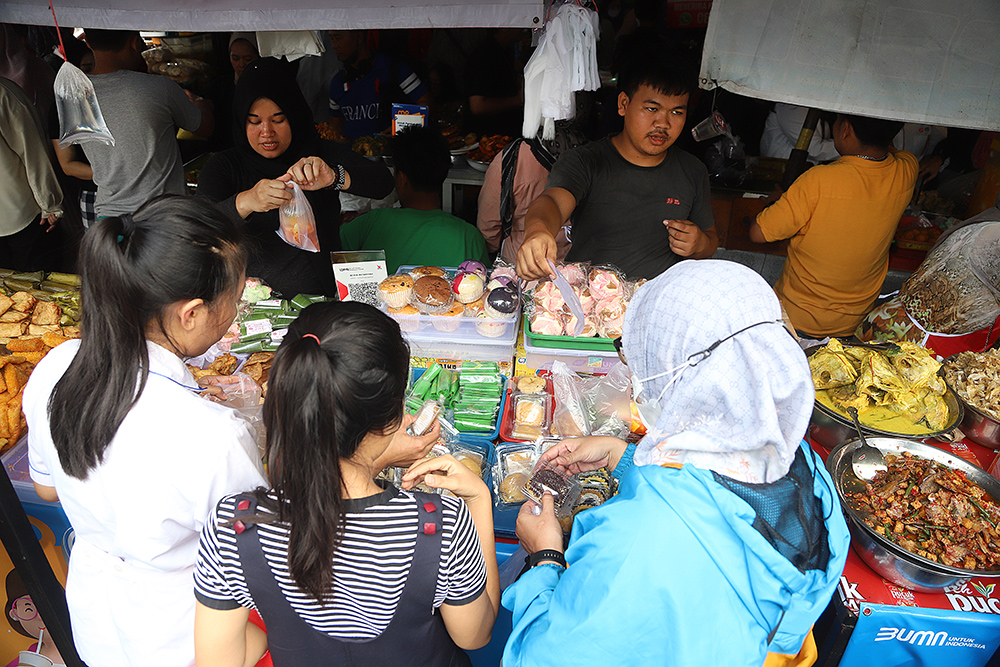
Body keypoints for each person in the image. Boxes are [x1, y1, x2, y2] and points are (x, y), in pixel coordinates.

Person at [503, 259, 849, 667]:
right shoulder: (802, 464)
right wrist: (622, 455)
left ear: (677, 368)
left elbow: (541, 659)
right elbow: (720, 504)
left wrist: (543, 557)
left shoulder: (637, 543)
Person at [22, 196, 267, 667]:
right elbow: (257, 558)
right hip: (189, 637)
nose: (234, 312)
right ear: (190, 312)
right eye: (234, 301)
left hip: (97, 623)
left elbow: (46, 489)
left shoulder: (54, 368)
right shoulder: (211, 435)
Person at [193, 301, 500, 666]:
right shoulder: (442, 522)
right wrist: (478, 499)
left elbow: (223, 660)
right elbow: (476, 635)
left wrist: (284, 632)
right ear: (393, 416)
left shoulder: (234, 524)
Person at [199, 57, 394, 296]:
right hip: (251, 307)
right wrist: (247, 201)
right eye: (254, 121)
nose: (267, 132)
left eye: (278, 120)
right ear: (241, 121)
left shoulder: (318, 152)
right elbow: (198, 230)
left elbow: (383, 183)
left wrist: (334, 177)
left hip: (322, 300)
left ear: (294, 115)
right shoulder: (225, 165)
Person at [517, 60, 718, 281]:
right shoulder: (585, 161)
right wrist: (538, 231)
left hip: (659, 303)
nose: (663, 123)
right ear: (623, 104)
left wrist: (699, 244)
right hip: (592, 301)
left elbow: (710, 241)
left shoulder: (693, 170)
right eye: (652, 109)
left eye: (677, 113)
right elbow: (553, 202)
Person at [750, 114, 917, 337]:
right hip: (853, 326)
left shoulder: (817, 180)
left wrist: (777, 203)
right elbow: (892, 151)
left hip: (794, 320)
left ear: (846, 129)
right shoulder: (906, 170)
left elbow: (757, 233)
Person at [80, 29, 212, 218]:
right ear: (134, 43)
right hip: (164, 216)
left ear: (88, 43)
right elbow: (205, 127)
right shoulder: (158, 87)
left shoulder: (75, 96)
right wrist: (201, 104)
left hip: (110, 218)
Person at [340, 126, 488, 274]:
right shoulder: (470, 237)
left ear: (402, 178)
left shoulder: (370, 224)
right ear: (444, 173)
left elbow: (328, 251)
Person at [476, 124, 587, 265]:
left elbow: (489, 228)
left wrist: (492, 249)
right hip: (579, 270)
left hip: (522, 266)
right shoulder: (596, 155)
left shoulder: (511, 159)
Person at [0, 75, 62, 271]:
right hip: (18, 214)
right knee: (34, 286)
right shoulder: (4, 92)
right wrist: (50, 204)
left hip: (16, 214)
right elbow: (32, 151)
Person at [327, 30, 430, 140]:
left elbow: (426, 103)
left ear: (359, 37)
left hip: (390, 153)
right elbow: (335, 129)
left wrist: (401, 127)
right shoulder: (337, 82)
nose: (334, 45)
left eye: (338, 38)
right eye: (332, 39)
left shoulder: (393, 69)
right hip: (351, 155)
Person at [464, 29, 526, 137]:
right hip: (490, 137)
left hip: (507, 131)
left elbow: (500, 82)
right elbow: (478, 106)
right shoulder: (484, 56)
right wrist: (517, 100)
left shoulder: (504, 50)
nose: (523, 28)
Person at [760, 104, 839, 164]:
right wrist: (849, 146)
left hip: (798, 172)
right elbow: (814, 149)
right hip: (782, 173)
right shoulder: (792, 108)